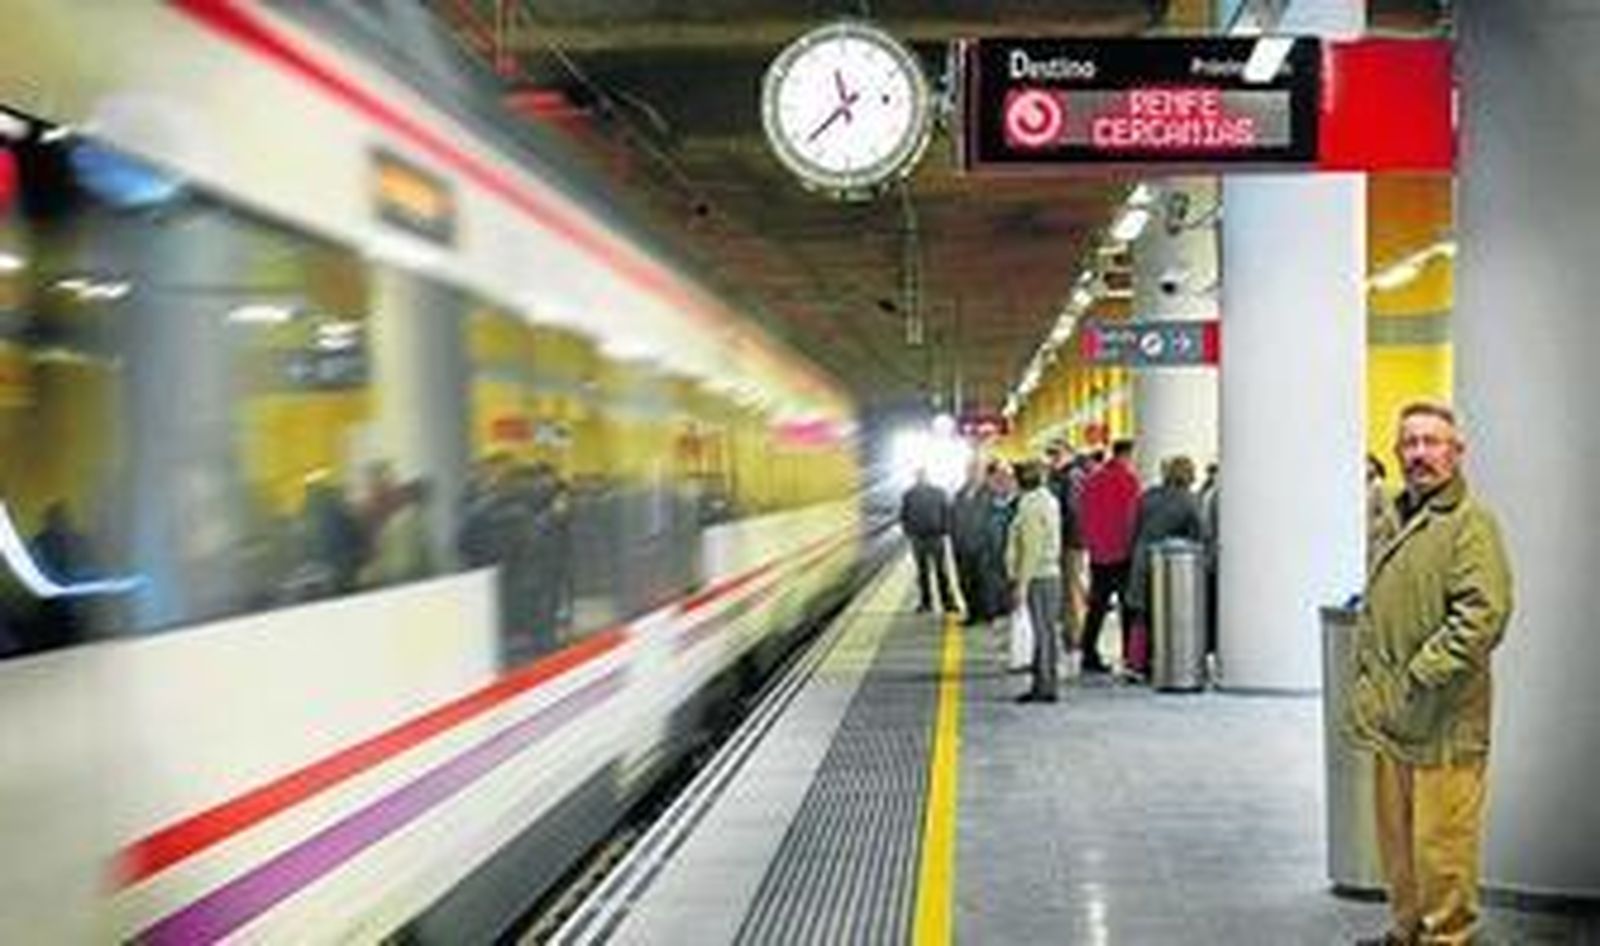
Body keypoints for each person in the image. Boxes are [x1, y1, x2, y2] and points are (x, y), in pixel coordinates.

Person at [1347, 402, 1513, 946]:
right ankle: (1406, 931)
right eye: (1410, 443)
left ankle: (1448, 939)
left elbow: (1483, 615)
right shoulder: (1395, 514)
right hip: (1394, 719)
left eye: (1432, 442)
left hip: (1444, 720)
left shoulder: (1470, 523)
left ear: (1456, 452)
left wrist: (1419, 674)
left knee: (1442, 848)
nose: (1419, 453)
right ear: (1397, 452)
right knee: (1398, 843)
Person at [1124, 455, 1205, 678]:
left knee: (1141, 615)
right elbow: (1200, 533)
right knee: (1166, 614)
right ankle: (1165, 661)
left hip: (1141, 558)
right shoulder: (1189, 500)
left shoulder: (1148, 496)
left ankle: (1135, 663)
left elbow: (1133, 527)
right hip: (1170, 566)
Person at [1076, 438, 1142, 674]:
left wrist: (1090, 544)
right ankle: (1129, 656)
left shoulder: (1092, 481)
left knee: (1097, 607)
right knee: (1128, 606)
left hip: (1098, 554)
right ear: (1127, 455)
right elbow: (1134, 518)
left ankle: (1088, 653)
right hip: (1123, 553)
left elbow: (1082, 515)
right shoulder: (1130, 481)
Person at [1005, 460, 1063, 703]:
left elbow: (1031, 548)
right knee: (1046, 631)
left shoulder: (1029, 506)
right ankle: (1044, 683)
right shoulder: (1047, 499)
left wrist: (1021, 584)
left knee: (1042, 633)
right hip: (1047, 574)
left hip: (1039, 576)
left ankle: (1045, 687)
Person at [899, 468, 956, 613]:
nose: (920, 478)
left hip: (935, 537)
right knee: (922, 573)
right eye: (918, 475)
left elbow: (946, 512)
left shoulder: (938, 492)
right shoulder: (908, 494)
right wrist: (909, 531)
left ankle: (947, 602)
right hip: (918, 539)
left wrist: (945, 530)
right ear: (915, 477)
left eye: (922, 475)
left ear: (927, 476)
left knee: (941, 571)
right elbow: (903, 514)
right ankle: (926, 602)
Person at [951, 460, 997, 625]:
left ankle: (987, 613)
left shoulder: (990, 494)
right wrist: (955, 541)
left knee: (984, 582)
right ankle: (972, 613)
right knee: (965, 581)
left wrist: (990, 544)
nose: (972, 474)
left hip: (983, 548)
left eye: (976, 471)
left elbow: (993, 522)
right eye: (970, 471)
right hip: (962, 547)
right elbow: (953, 519)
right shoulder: (959, 494)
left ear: (983, 474)